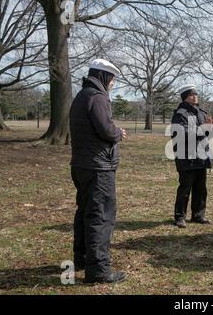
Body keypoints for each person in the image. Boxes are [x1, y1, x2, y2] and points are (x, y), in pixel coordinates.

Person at [69, 59, 128, 283]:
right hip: (97, 167)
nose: (113, 83)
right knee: (101, 215)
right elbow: (105, 128)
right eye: (112, 79)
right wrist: (118, 132)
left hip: (81, 165)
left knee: (85, 211)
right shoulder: (97, 96)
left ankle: (82, 258)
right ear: (104, 77)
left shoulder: (83, 95)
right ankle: (99, 270)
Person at [170, 84, 213, 228]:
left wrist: (210, 129)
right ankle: (179, 217)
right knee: (185, 188)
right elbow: (181, 134)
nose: (195, 96)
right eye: (192, 95)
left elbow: (208, 134)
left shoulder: (201, 112)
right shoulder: (180, 114)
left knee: (201, 188)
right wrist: (202, 129)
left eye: (196, 94)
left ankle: (198, 215)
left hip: (201, 155)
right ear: (185, 97)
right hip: (186, 156)